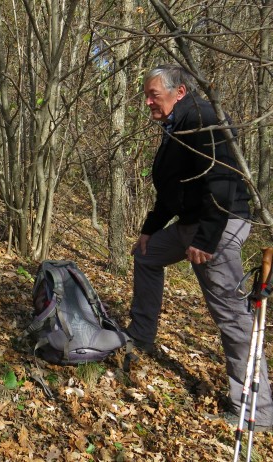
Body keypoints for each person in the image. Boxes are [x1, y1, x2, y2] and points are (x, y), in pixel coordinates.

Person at [124, 64, 272, 431]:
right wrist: (150, 229)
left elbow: (221, 178)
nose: (147, 102)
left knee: (231, 317)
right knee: (146, 255)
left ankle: (257, 412)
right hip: (191, 223)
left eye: (153, 95)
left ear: (180, 92)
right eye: (146, 95)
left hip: (218, 225)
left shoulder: (203, 119)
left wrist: (206, 239)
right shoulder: (176, 123)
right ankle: (141, 337)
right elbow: (172, 188)